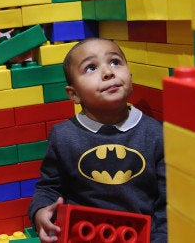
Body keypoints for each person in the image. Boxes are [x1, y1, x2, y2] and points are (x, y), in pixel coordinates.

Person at [28, 37, 167, 243]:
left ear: (130, 76)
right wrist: (40, 212)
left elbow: (167, 201)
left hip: (139, 236)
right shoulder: (64, 136)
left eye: (115, 62)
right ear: (74, 94)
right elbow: (49, 187)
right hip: (82, 234)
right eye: (91, 67)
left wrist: (161, 238)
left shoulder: (155, 133)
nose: (108, 72)